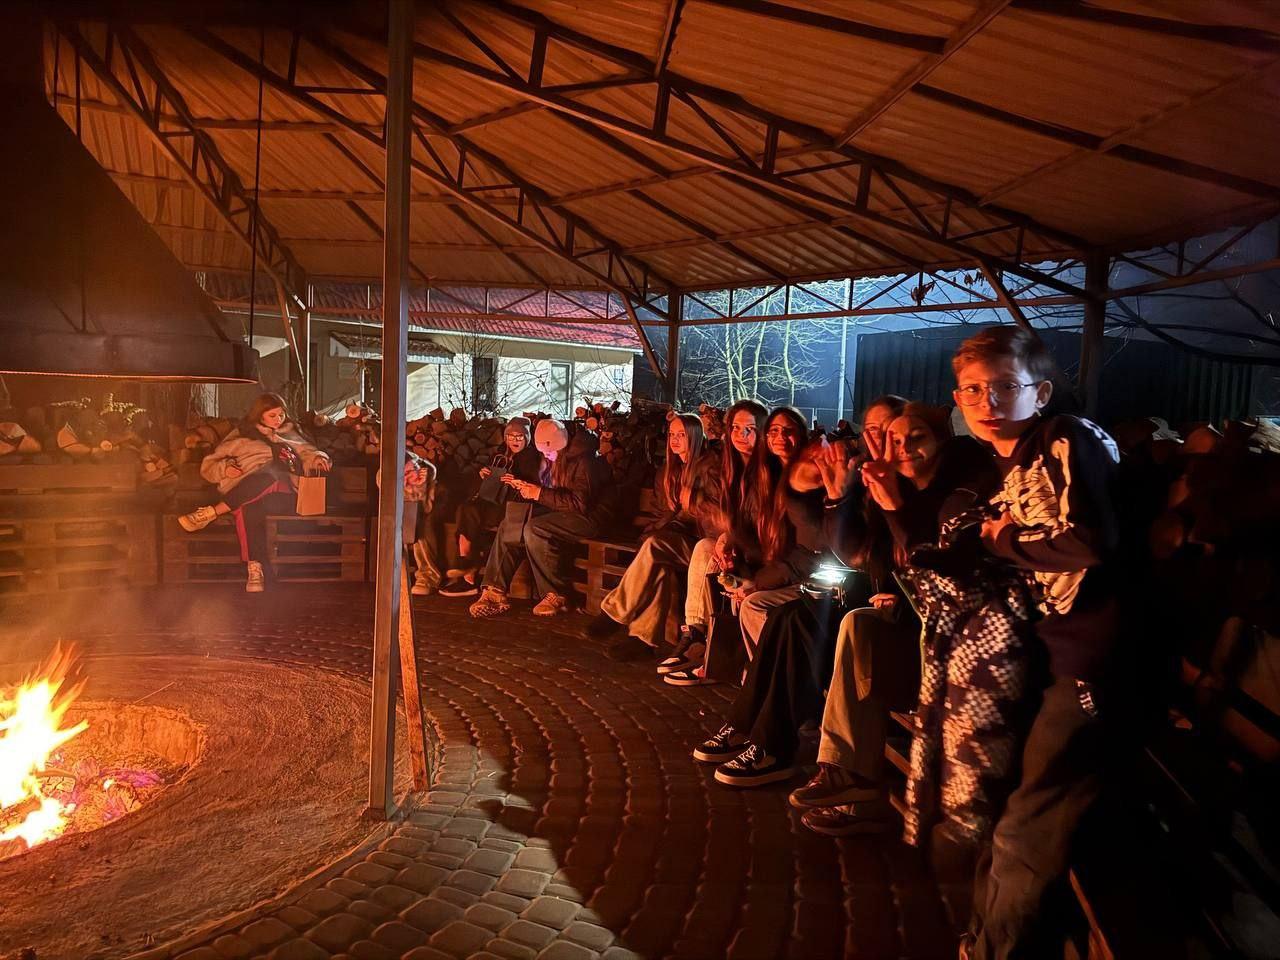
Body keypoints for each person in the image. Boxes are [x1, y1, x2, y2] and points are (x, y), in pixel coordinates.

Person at [952, 326, 1121, 960]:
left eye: (1005, 386)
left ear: (1040, 392)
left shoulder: (1066, 437)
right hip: (1042, 655)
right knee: (997, 804)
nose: (988, 401)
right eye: (973, 390)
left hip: (1089, 660)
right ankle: (981, 938)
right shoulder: (1005, 465)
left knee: (1025, 824)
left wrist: (1003, 541)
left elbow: (1090, 540)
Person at [795, 404, 1001, 835]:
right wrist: (838, 497)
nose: (899, 446)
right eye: (887, 436)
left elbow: (942, 572)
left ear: (941, 441)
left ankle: (857, 783)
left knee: (853, 630)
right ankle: (847, 775)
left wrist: (893, 505)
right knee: (856, 627)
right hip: (914, 632)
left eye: (914, 436)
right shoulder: (894, 487)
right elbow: (860, 555)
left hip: (964, 648)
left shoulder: (958, 492)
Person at [582, 413, 720, 661]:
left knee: (655, 546)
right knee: (658, 561)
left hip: (702, 544)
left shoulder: (710, 467)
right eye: (672, 434)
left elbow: (716, 513)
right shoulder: (668, 471)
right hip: (674, 541)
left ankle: (615, 612)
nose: (675, 440)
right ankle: (642, 639)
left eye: (681, 435)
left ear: (695, 436)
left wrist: (694, 500)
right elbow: (661, 513)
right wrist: (651, 533)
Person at [661, 400, 769, 682]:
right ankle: (695, 633)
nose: (741, 435)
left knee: (710, 560)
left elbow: (757, 521)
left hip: (763, 553)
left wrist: (731, 536)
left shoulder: (765, 470)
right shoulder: (733, 467)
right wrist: (727, 538)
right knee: (704, 549)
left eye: (749, 428)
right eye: (735, 428)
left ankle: (714, 657)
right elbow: (731, 517)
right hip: (735, 545)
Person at [179, 393, 331, 592]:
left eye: (281, 415)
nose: (278, 420)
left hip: (283, 492)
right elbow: (209, 466)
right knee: (250, 508)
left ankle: (212, 512)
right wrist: (225, 468)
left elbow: (309, 452)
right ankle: (255, 569)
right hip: (244, 491)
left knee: (271, 476)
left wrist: (319, 458)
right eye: (272, 416)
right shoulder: (241, 435)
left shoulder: (290, 433)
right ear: (259, 415)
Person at [469, 418, 602, 618]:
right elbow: (551, 491)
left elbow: (579, 504)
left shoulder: (585, 461)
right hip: (559, 510)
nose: (546, 456)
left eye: (549, 451)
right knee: (513, 520)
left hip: (589, 517)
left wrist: (539, 493)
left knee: (534, 528)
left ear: (561, 444)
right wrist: (525, 488)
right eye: (543, 452)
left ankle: (555, 594)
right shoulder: (555, 457)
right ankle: (494, 592)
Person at [437, 418, 540, 597]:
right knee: (465, 509)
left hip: (513, 506)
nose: (515, 440)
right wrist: (484, 475)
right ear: (505, 438)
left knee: (470, 516)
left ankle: (467, 570)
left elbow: (534, 485)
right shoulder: (499, 454)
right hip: (492, 499)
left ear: (527, 438)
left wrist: (516, 481)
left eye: (519, 436)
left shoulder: (531, 458)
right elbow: (488, 483)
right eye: (511, 436)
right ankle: (466, 567)